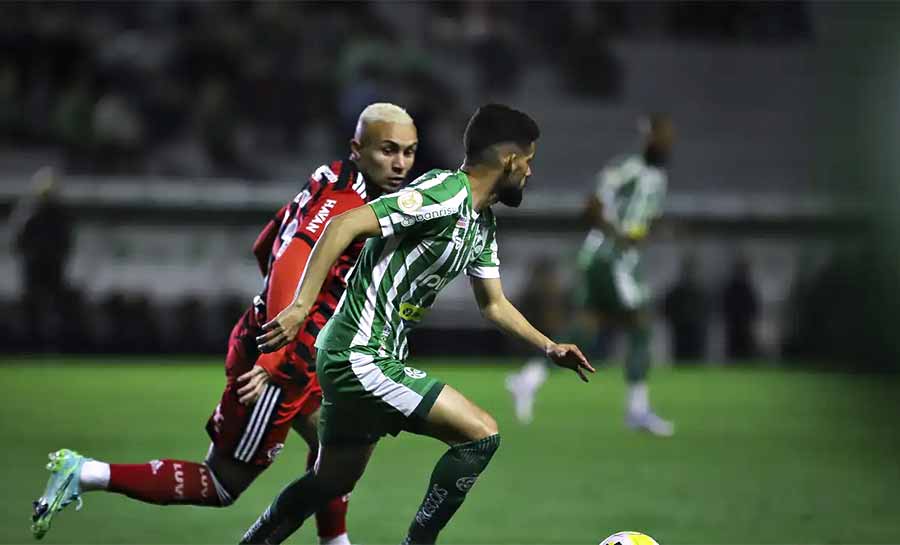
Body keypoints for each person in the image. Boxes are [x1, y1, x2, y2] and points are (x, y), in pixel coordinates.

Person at [30, 103, 420, 544]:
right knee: (220, 484)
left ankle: (336, 541)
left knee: (337, 447)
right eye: (389, 150)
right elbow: (288, 261)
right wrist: (274, 357)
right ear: (358, 148)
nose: (401, 163)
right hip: (277, 367)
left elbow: (266, 243)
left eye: (408, 152)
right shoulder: (344, 204)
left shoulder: (332, 176)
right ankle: (84, 473)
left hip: (299, 357)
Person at [238, 104, 594, 545]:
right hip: (359, 351)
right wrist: (298, 308)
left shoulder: (480, 224)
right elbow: (343, 225)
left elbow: (495, 305)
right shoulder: (445, 193)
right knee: (480, 435)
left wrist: (548, 347)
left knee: (331, 481)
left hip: (365, 354)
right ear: (510, 161)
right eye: (530, 162)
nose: (530, 174)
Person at [506, 113, 675, 436]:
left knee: (587, 326)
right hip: (610, 258)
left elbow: (642, 220)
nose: (668, 143)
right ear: (649, 137)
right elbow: (593, 204)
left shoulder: (658, 179)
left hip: (620, 259)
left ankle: (528, 379)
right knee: (640, 325)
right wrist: (619, 235)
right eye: (663, 136)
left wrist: (649, 233)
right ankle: (637, 410)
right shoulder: (629, 168)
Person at [10, 166, 73, 351]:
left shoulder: (59, 213)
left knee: (56, 308)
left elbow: (66, 239)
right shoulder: (28, 211)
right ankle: (30, 344)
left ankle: (55, 345)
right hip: (34, 266)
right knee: (32, 306)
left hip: (53, 266)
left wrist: (58, 255)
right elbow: (20, 240)